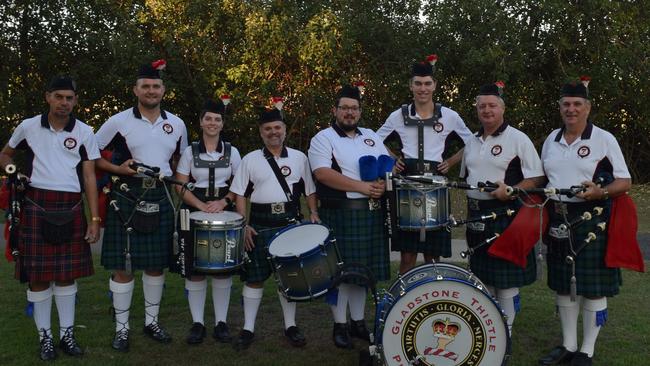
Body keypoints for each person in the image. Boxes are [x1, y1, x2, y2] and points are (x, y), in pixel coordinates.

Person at [0, 76, 100, 360]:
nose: (64, 102)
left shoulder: (84, 131)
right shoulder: (28, 126)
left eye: (69, 98)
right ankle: (45, 337)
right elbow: (5, 154)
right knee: (39, 279)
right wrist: (11, 171)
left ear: (75, 101)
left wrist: (95, 219)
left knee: (66, 277)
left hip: (70, 205)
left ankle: (67, 335)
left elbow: (90, 176)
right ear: (48, 97)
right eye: (59, 96)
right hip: (34, 203)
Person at [95, 61, 188, 351]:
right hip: (126, 195)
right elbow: (92, 156)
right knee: (124, 266)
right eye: (145, 86)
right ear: (135, 89)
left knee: (155, 264)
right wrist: (120, 170)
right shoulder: (118, 121)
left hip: (160, 195)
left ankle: (152, 322)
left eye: (156, 86)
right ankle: (122, 329)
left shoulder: (177, 124)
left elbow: (180, 163)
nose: (151, 91)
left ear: (163, 90)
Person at [538, 79, 632, 366]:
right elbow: (544, 179)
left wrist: (600, 191)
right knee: (565, 286)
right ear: (559, 108)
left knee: (593, 288)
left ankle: (586, 351)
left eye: (577, 104)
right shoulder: (550, 140)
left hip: (592, 220)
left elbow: (625, 181)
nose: (571, 109)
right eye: (566, 104)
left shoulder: (604, 139)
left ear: (588, 108)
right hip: (558, 218)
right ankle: (568, 345)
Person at [229, 106, 319, 350]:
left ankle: (290, 326)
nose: (273, 132)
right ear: (261, 132)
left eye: (277, 127)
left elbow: (310, 190)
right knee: (254, 278)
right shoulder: (250, 159)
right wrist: (244, 224)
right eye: (267, 129)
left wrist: (313, 212)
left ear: (285, 130)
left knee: (288, 276)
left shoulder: (300, 157)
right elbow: (239, 195)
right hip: (258, 224)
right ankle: (248, 328)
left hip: (289, 224)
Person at [308, 85, 391, 349]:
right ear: (335, 110)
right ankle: (339, 324)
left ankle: (358, 322)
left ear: (360, 111)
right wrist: (363, 188)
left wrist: (381, 184)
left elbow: (385, 164)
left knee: (362, 274)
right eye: (344, 108)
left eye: (354, 108)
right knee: (340, 274)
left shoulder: (370, 135)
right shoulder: (323, 138)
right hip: (342, 214)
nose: (349, 112)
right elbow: (322, 173)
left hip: (370, 215)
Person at [459, 81, 544, 336]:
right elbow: (466, 177)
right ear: (477, 109)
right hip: (477, 214)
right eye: (482, 106)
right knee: (483, 277)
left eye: (492, 105)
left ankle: (505, 332)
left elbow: (537, 177)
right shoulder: (472, 141)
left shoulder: (518, 139)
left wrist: (513, 189)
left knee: (505, 281)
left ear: (502, 108)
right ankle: (488, 328)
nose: (487, 110)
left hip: (506, 214)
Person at [376, 55, 473, 273]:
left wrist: (451, 161)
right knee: (407, 255)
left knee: (432, 254)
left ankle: (431, 297)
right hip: (406, 182)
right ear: (411, 85)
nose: (423, 88)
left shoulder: (449, 116)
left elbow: (472, 142)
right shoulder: (398, 116)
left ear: (435, 85)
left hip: (436, 183)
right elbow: (373, 140)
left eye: (427, 83)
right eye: (418, 83)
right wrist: (393, 158)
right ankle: (404, 300)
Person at [173, 98, 241, 344]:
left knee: (223, 269)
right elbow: (180, 185)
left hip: (223, 208)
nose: (213, 123)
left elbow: (239, 184)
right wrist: (201, 206)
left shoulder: (232, 151)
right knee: (196, 270)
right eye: (208, 118)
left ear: (223, 124)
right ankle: (198, 323)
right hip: (194, 208)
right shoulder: (189, 151)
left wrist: (224, 202)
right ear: (201, 122)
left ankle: (221, 322)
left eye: (217, 119)